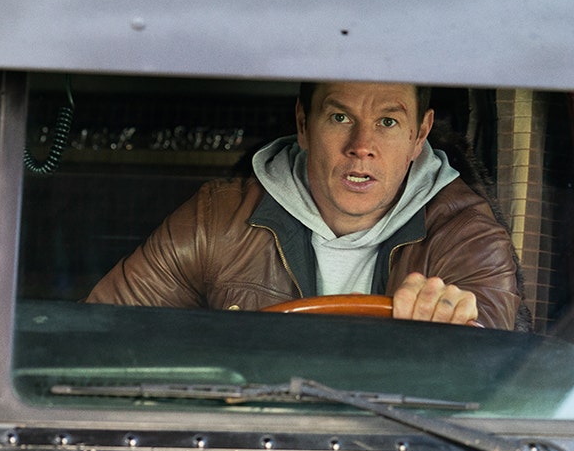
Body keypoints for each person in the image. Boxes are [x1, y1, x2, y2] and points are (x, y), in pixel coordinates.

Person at [86, 81, 523, 330]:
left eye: (387, 122)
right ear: (303, 124)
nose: (361, 147)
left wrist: (453, 336)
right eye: (340, 118)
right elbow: (101, 333)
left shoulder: (468, 237)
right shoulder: (217, 219)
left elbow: (491, 379)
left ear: (419, 135)